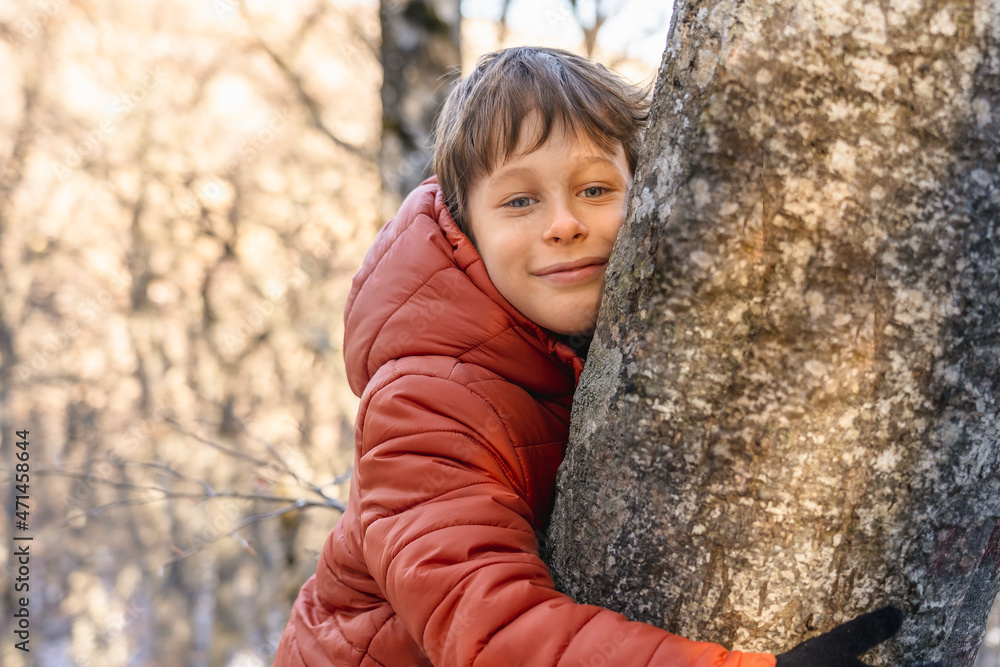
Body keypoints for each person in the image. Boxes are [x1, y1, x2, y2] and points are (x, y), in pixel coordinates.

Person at [273, 46, 906, 667]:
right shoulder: (424, 401)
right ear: (467, 228)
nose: (564, 223)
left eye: (596, 188)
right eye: (520, 201)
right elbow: (489, 631)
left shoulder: (579, 350)